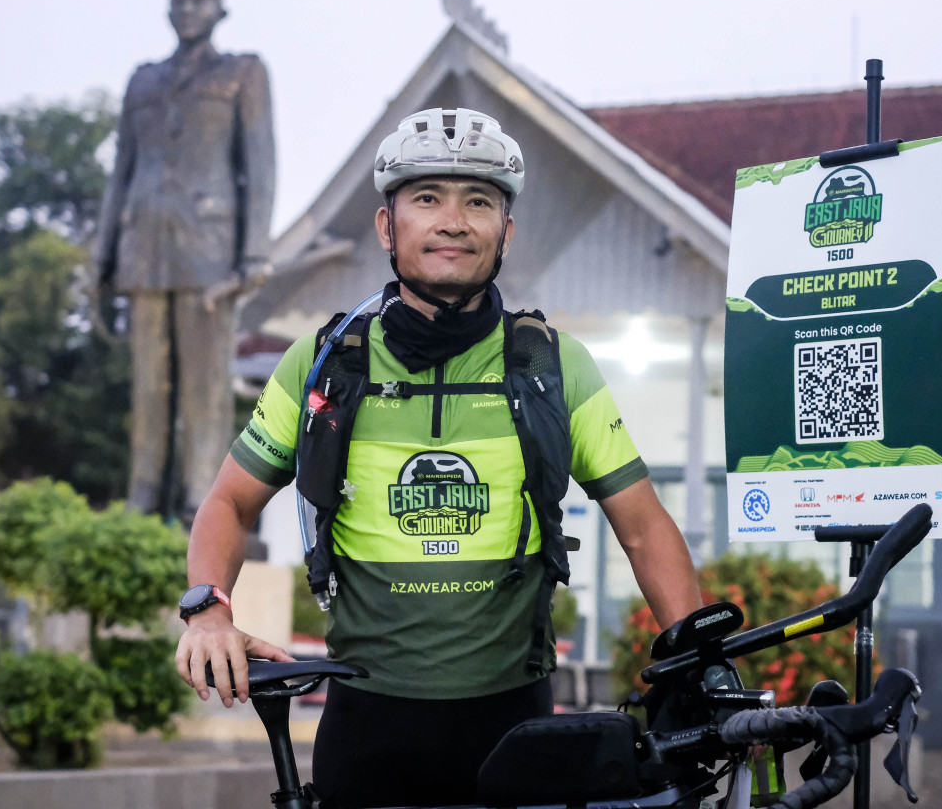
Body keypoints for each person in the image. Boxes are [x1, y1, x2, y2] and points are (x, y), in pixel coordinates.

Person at [175, 107, 702, 808]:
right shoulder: (325, 364)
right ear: (386, 226)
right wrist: (208, 610)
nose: (453, 222)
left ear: (506, 231)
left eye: (478, 202)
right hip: (365, 730)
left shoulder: (550, 365)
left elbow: (642, 526)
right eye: (427, 198)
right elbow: (230, 502)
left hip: (513, 724)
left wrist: (697, 663)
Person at [94, 0, 275, 521]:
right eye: (181, 0)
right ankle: (143, 493)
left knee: (205, 388)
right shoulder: (143, 80)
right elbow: (120, 172)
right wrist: (101, 258)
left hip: (209, 253)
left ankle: (201, 498)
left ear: (220, 10)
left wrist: (254, 251)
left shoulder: (242, 72)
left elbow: (260, 164)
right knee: (147, 388)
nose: (189, 9)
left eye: (200, 0)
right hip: (144, 248)